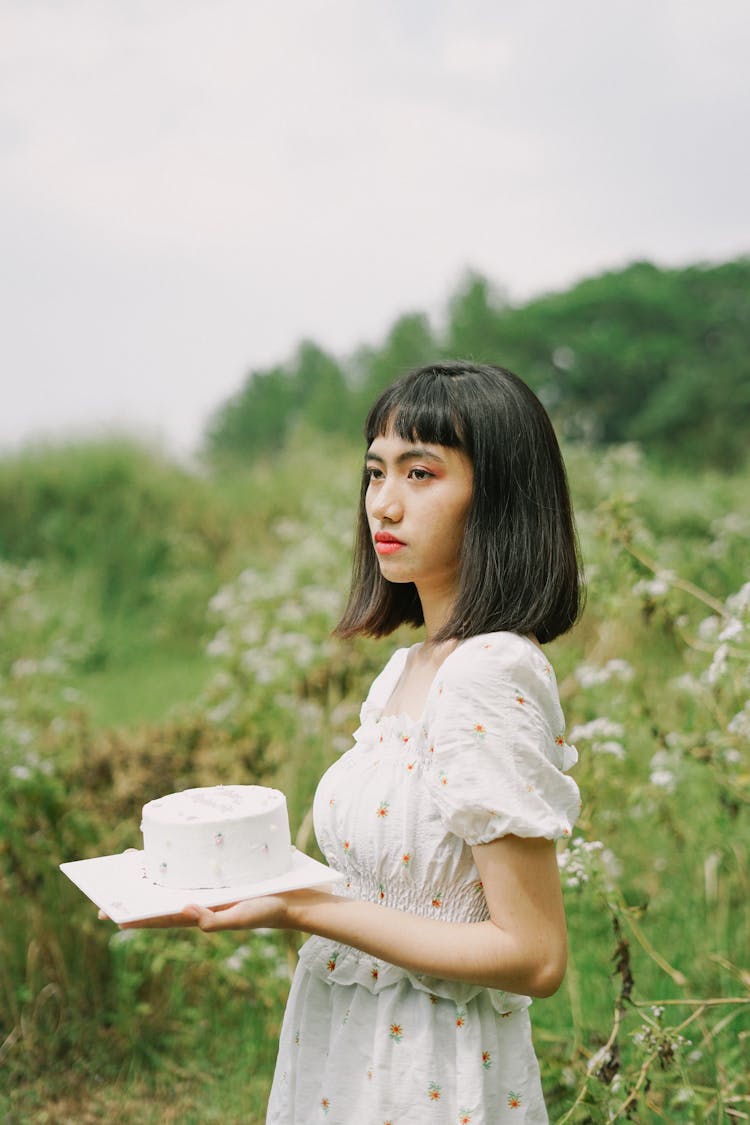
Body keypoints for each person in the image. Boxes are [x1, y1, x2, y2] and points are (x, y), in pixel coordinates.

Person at [121, 361, 583, 1124]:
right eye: (375, 473)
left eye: (422, 471)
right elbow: (385, 885)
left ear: (499, 497)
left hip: (429, 1065)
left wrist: (301, 908)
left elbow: (534, 955)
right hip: (352, 1046)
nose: (385, 503)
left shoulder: (488, 673)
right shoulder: (406, 670)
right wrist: (240, 875)